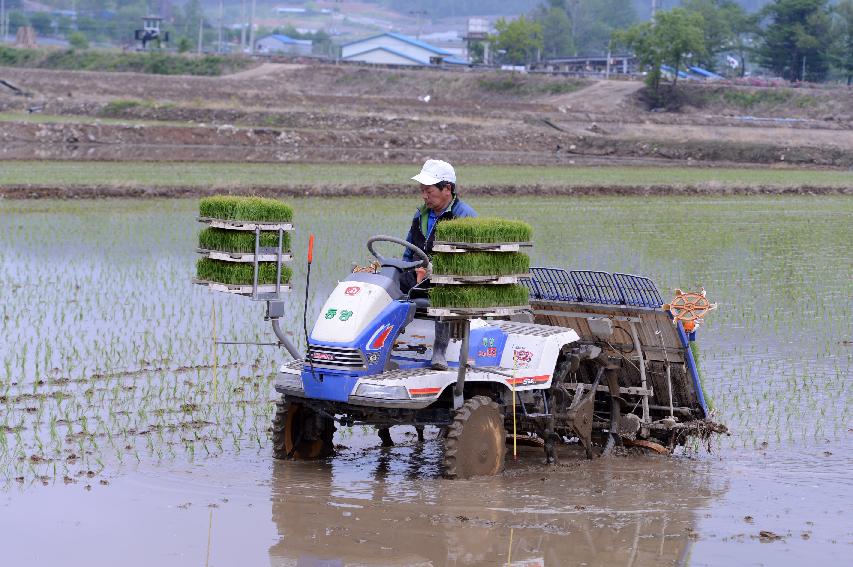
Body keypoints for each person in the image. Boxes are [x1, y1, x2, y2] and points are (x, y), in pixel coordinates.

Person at [377, 159, 477, 448]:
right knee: (387, 283)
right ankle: (385, 347)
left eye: (429, 189)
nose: (424, 195)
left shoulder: (464, 217)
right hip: (420, 275)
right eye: (422, 189)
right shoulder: (421, 214)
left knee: (445, 289)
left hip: (452, 281)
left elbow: (469, 260)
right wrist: (406, 269)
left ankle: (439, 352)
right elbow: (409, 250)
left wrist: (434, 270)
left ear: (447, 189)